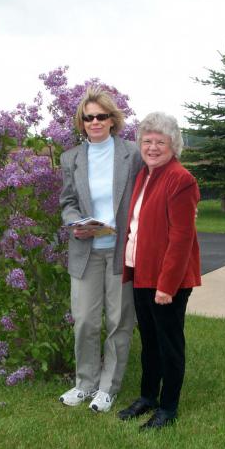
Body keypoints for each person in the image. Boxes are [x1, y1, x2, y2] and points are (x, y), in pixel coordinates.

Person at [59, 87, 143, 412]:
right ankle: (84, 384)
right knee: (84, 321)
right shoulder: (71, 159)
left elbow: (146, 193)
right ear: (81, 122)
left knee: (119, 321)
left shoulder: (131, 153)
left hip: (120, 251)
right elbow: (67, 202)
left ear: (112, 119)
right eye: (88, 117)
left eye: (101, 116)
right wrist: (74, 223)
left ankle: (108, 388)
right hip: (86, 251)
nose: (95, 122)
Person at [118, 112, 201, 430]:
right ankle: (147, 397)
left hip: (168, 280)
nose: (152, 147)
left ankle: (168, 407)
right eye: (147, 141)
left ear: (173, 145)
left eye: (160, 142)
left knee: (169, 343)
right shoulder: (145, 175)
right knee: (150, 341)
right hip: (142, 272)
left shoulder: (181, 179)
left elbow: (182, 239)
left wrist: (166, 286)